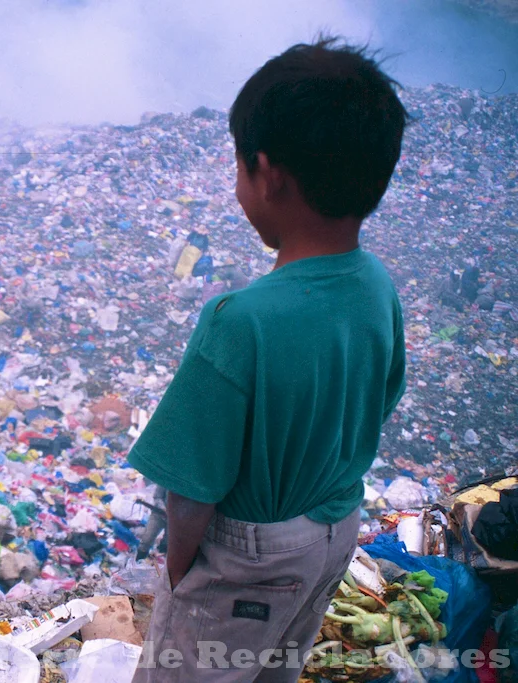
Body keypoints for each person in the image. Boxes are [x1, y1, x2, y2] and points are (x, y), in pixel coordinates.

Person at [130, 37, 407, 682]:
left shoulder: (240, 320)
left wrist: (183, 577)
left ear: (267, 172)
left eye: (237, 167)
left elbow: (190, 495)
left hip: (248, 559)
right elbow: (379, 401)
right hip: (334, 533)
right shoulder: (376, 283)